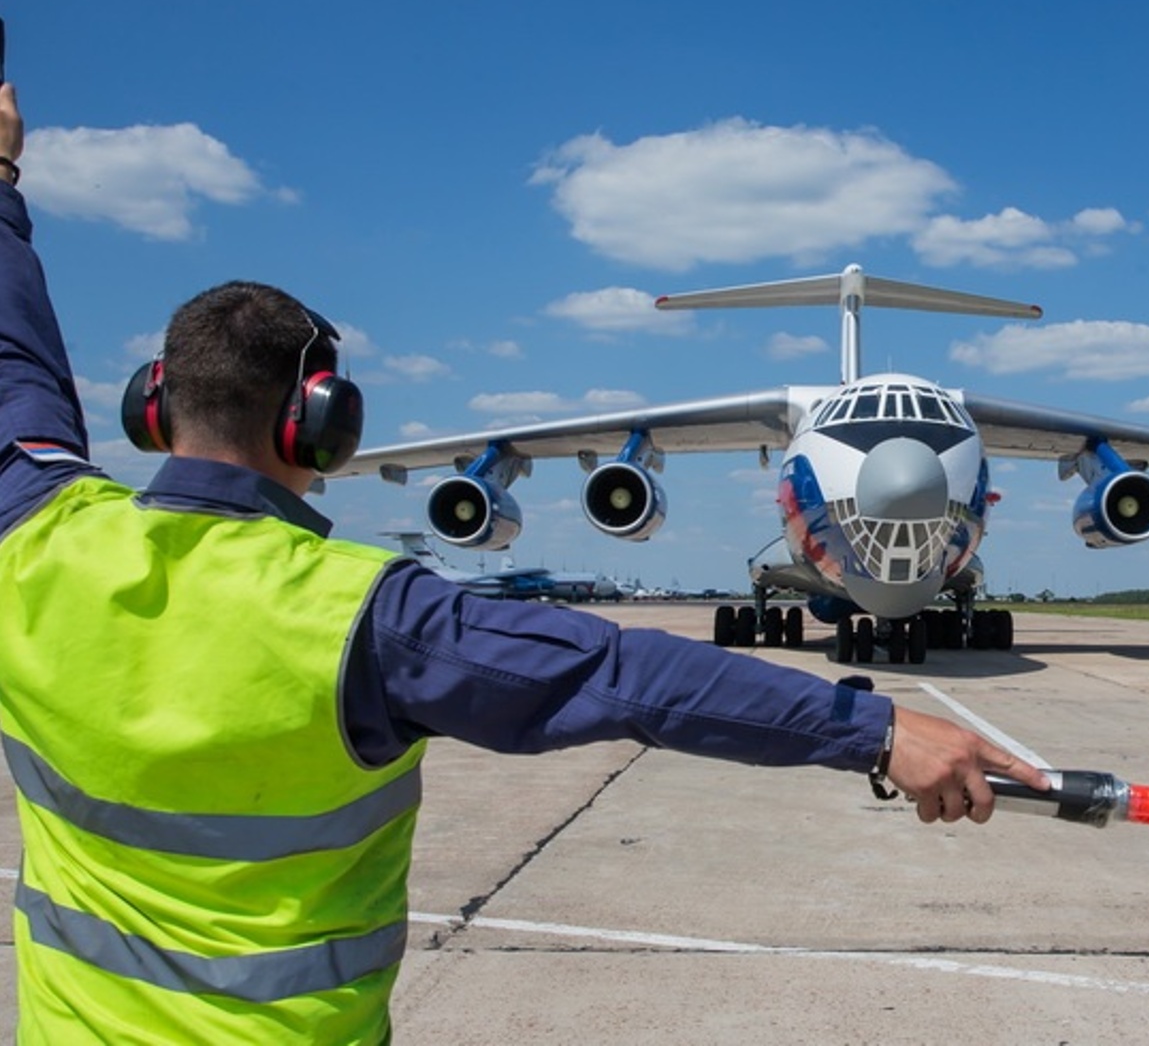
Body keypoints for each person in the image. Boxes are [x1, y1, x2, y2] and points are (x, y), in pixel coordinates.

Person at [0, 78, 1048, 1043]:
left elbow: (15, 370)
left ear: (150, 404)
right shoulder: (368, 617)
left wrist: (1, 190)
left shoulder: (34, 538)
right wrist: (871, 726)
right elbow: (628, 676)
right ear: (321, 424)